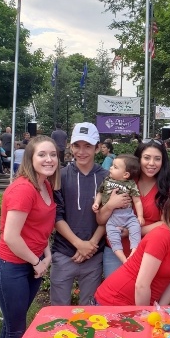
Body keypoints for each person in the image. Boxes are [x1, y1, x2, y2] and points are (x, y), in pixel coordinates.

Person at [0, 136, 60, 338]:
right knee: (17, 330)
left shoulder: (45, 185)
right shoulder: (24, 189)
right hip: (11, 267)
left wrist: (47, 255)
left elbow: (39, 229)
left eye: (53, 154)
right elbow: (10, 236)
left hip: (32, 265)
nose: (49, 159)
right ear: (29, 158)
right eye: (42, 154)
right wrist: (37, 262)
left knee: (12, 324)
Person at [94, 187, 170, 306]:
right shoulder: (160, 236)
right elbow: (141, 285)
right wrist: (146, 314)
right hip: (113, 301)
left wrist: (160, 309)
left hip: (143, 304)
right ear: (168, 212)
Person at [96, 138, 170, 277]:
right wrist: (110, 205)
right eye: (146, 158)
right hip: (115, 251)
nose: (151, 163)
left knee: (143, 296)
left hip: (150, 252)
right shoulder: (122, 181)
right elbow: (100, 220)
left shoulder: (167, 187)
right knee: (114, 295)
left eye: (157, 159)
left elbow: (167, 222)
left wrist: (132, 230)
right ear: (138, 159)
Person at [50, 122, 108, 306]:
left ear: (97, 148)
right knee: (58, 312)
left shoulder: (107, 177)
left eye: (88, 146)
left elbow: (109, 214)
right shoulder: (60, 175)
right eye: (77, 145)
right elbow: (56, 215)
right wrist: (78, 244)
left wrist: (90, 245)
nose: (81, 152)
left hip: (94, 254)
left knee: (89, 312)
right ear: (70, 146)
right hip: (64, 253)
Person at [92, 154, 144, 264]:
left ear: (126, 174)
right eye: (112, 166)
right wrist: (96, 203)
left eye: (115, 167)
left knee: (135, 229)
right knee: (112, 237)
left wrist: (140, 216)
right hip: (112, 218)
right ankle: (124, 260)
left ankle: (134, 251)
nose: (110, 168)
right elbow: (100, 193)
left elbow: (137, 201)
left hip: (128, 215)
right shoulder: (107, 180)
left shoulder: (131, 184)